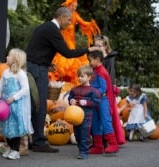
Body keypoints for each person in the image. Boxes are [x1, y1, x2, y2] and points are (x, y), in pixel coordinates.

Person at [26, 6, 100, 153]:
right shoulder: (53, 30)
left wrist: (46, 63)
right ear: (60, 17)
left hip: (34, 67)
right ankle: (39, 142)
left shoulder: (44, 27)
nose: (70, 23)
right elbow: (67, 53)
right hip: (37, 70)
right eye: (68, 20)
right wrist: (88, 49)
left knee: (33, 105)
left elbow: (35, 49)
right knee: (40, 104)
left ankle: (31, 139)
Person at [49, 0, 100, 85]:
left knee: (71, 56)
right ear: (69, 5)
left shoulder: (75, 15)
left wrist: (90, 24)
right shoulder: (63, 17)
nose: (75, 8)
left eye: (76, 6)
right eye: (74, 6)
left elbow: (82, 23)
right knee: (65, 55)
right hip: (64, 38)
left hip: (71, 39)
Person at [0, 48, 33, 160]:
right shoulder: (5, 72)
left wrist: (14, 97)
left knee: (14, 128)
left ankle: (16, 150)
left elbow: (26, 89)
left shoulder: (20, 74)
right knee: (6, 127)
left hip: (15, 106)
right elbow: (0, 84)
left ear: (15, 60)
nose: (6, 57)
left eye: (9, 56)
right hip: (4, 105)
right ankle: (10, 147)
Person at [87, 50, 124, 155]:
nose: (89, 62)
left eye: (91, 60)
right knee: (95, 123)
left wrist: (92, 92)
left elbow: (103, 88)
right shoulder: (95, 70)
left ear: (97, 59)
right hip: (96, 100)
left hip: (102, 100)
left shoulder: (101, 71)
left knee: (105, 121)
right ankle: (98, 145)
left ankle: (113, 144)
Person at [68, 65, 101, 159]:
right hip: (75, 114)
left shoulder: (94, 91)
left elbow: (96, 102)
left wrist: (87, 102)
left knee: (84, 132)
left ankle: (84, 152)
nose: (79, 78)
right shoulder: (75, 89)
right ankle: (81, 148)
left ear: (89, 77)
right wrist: (71, 101)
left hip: (87, 114)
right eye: (78, 76)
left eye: (82, 76)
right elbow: (70, 97)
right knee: (77, 133)